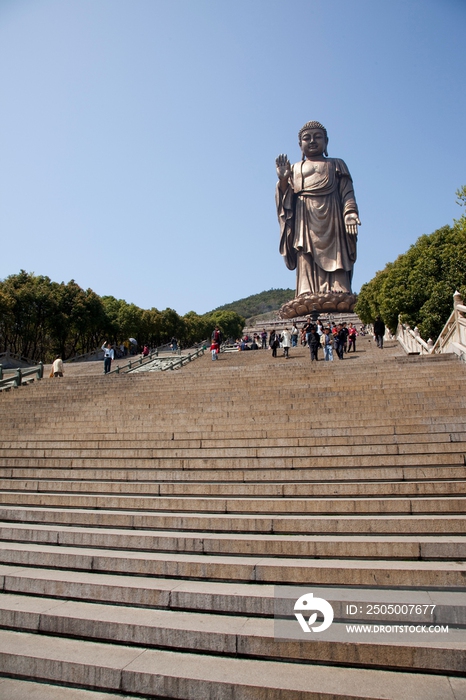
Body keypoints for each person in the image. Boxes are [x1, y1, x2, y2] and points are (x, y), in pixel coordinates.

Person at [276, 121, 360, 296]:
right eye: (307, 138)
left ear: (326, 142)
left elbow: (347, 192)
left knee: (337, 252)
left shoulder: (337, 164)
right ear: (300, 145)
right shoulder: (295, 168)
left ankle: (340, 288)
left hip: (333, 215)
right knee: (303, 249)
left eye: (317, 137)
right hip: (304, 217)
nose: (312, 141)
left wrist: (350, 212)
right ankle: (306, 290)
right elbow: (286, 200)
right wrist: (284, 181)